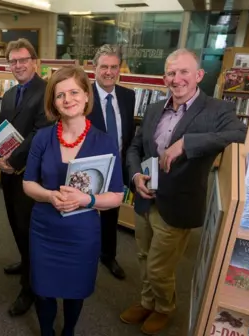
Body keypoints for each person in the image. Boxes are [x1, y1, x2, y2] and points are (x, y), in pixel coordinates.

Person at [121, 48, 247, 334]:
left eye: (183, 72)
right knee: (143, 257)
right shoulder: (154, 109)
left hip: (178, 205)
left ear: (199, 75)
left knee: (158, 267)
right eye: (170, 73)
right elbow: (135, 147)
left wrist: (186, 143)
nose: (176, 79)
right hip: (144, 197)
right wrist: (136, 175)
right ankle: (147, 301)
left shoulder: (217, 110)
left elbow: (239, 134)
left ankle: (164, 307)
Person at [22, 65, 124, 336]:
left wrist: (86, 199)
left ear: (87, 96)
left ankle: (68, 331)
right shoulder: (43, 138)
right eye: (60, 95)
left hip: (82, 232)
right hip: (45, 228)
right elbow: (28, 184)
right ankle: (47, 332)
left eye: (74, 92)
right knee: (43, 291)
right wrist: (49, 195)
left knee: (75, 291)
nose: (67, 100)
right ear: (53, 102)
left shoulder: (105, 142)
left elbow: (116, 196)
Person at [0, 38, 50, 317]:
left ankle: (30, 287)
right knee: (15, 224)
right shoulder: (8, 94)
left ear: (34, 62)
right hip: (8, 173)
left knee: (28, 229)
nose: (18, 65)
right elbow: (1, 129)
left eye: (23, 60)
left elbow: (40, 133)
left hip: (30, 174)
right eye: (13, 61)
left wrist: (12, 161)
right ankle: (25, 261)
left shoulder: (46, 91)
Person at [86, 44, 136, 280]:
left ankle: (108, 255)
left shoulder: (128, 96)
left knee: (111, 214)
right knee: (84, 212)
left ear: (119, 69)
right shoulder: (83, 95)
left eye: (114, 67)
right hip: (89, 167)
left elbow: (128, 134)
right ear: (94, 68)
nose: (109, 72)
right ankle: (83, 254)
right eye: (104, 66)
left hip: (117, 166)